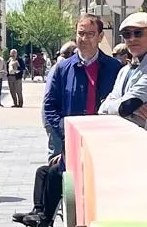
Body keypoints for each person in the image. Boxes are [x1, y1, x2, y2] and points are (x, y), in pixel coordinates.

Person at [43, 15, 122, 158]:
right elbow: (50, 106)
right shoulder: (62, 69)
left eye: (90, 34)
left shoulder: (115, 68)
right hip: (72, 144)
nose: (84, 39)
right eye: (81, 33)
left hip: (106, 144)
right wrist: (64, 128)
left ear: (100, 36)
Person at [99, 12, 147, 140]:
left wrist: (126, 107)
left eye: (138, 33)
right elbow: (103, 109)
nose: (132, 39)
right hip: (124, 142)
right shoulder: (124, 71)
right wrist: (132, 108)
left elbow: (127, 105)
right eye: (127, 34)